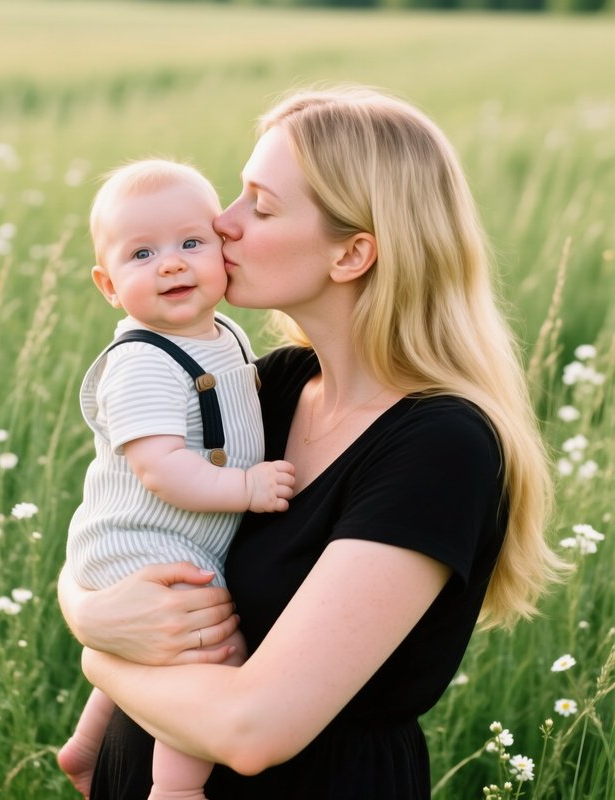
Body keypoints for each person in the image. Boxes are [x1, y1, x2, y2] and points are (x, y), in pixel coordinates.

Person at [57, 86, 565, 799]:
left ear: (353, 253)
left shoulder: (440, 447)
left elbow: (254, 731)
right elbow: (123, 520)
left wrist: (98, 655)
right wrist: (90, 610)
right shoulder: (275, 383)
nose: (220, 224)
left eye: (258, 206)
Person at [57, 158, 296, 800]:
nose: (171, 264)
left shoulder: (225, 335)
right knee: (210, 653)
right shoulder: (142, 361)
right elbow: (159, 469)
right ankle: (176, 789)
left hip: (177, 535)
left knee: (152, 652)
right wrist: (245, 490)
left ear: (221, 249)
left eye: (191, 243)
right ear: (109, 285)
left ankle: (85, 747)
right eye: (142, 254)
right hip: (143, 539)